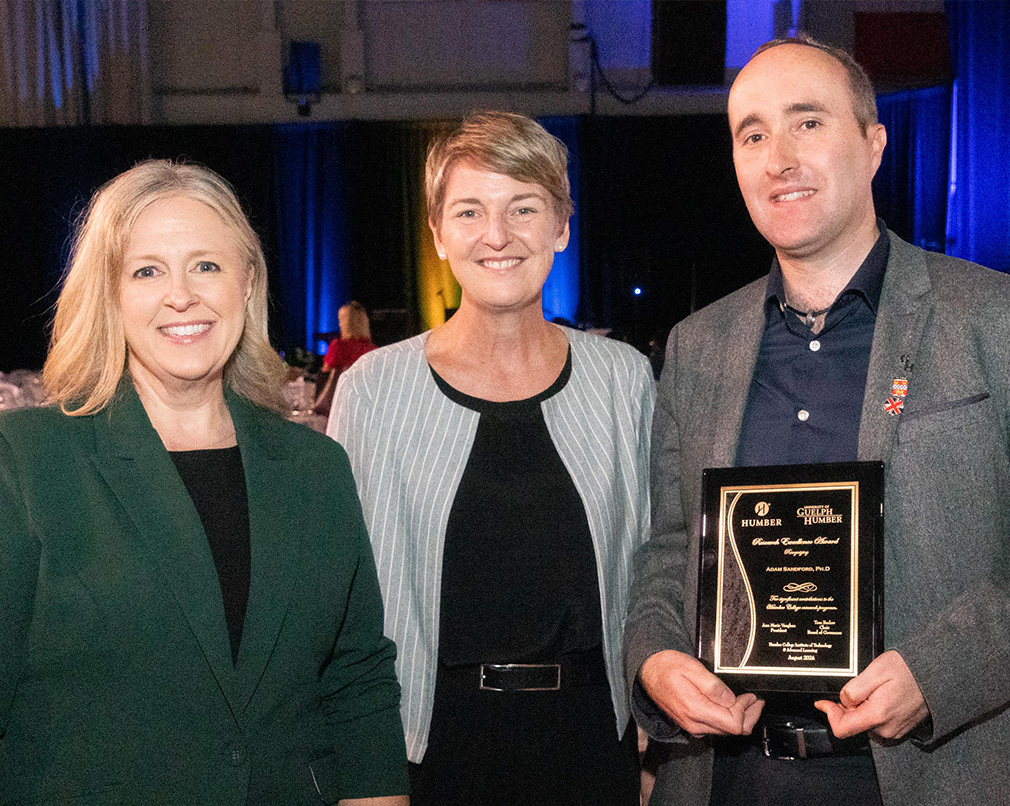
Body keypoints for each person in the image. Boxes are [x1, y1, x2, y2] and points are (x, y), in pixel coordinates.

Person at [625, 35, 1010, 806]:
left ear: (874, 145)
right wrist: (655, 659)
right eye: (753, 134)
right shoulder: (698, 346)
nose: (778, 159)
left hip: (929, 777)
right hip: (728, 780)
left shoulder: (990, 321)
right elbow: (671, 548)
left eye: (808, 123)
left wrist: (941, 672)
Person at [0, 160, 409, 805]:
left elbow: (356, 681)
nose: (181, 295)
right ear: (108, 295)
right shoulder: (25, 462)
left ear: (247, 282)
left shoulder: (317, 468)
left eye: (207, 266)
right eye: (146, 270)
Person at [329, 111, 655, 805]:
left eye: (524, 207)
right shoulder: (372, 391)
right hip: (433, 751)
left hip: (594, 749)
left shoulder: (624, 380)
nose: (497, 235)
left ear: (562, 227)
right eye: (469, 210)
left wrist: (660, 751)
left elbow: (659, 567)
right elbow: (346, 605)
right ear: (439, 234)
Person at [314, 301, 377, 416]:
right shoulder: (373, 350)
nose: (339, 324)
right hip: (364, 407)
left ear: (346, 323)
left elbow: (326, 373)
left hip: (340, 407)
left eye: (340, 320)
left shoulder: (338, 346)